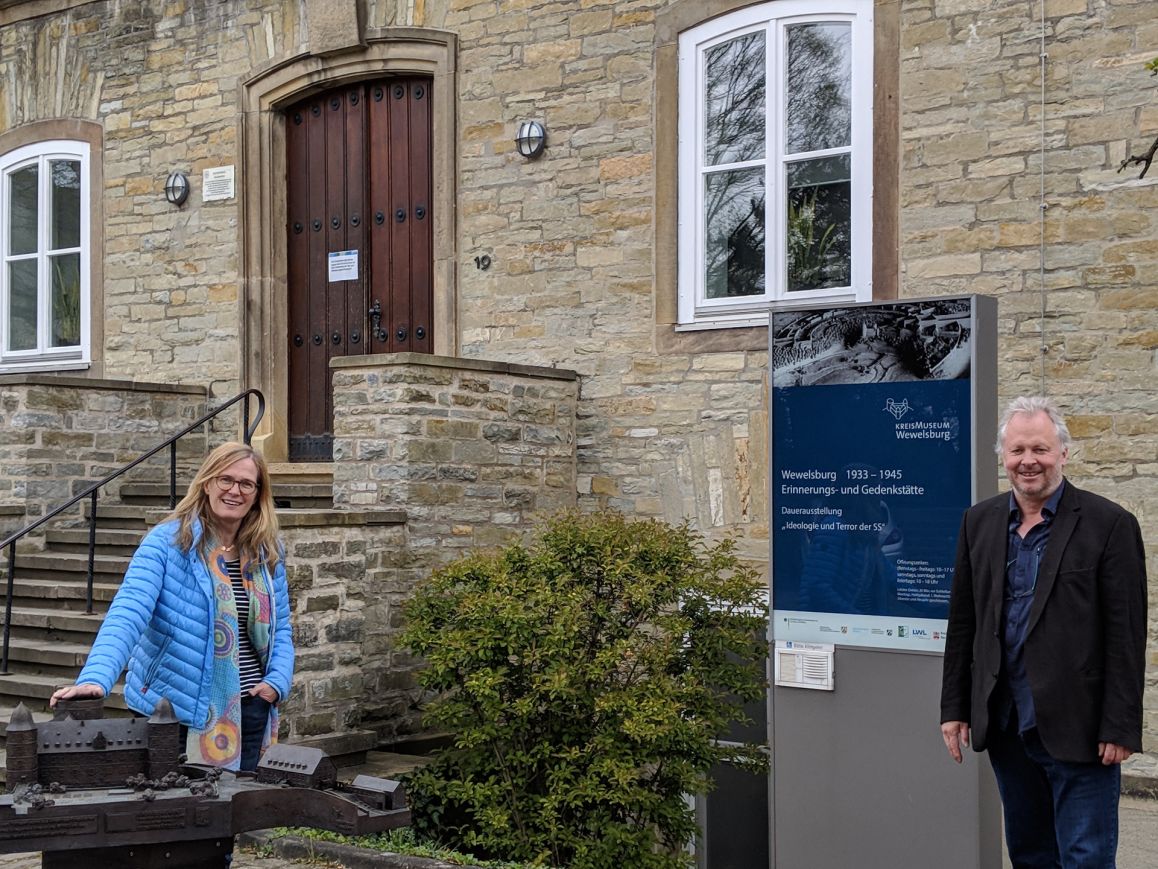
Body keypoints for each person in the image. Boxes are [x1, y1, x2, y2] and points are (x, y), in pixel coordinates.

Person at [940, 396, 1147, 867]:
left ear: (1063, 454)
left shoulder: (1110, 525)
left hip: (1081, 729)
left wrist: (1120, 725)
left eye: (1040, 449)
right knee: (1030, 854)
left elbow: (1126, 635)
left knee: (1085, 857)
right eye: (1016, 451)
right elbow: (964, 623)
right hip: (1009, 725)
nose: (1027, 461)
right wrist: (954, 706)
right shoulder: (979, 522)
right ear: (1002, 456)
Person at [51, 441, 295, 772]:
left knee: (241, 811)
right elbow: (128, 612)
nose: (235, 490)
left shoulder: (265, 550)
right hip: (174, 710)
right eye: (226, 479)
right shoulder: (167, 542)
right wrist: (95, 679)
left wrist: (277, 682)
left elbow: (280, 627)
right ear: (207, 483)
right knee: (181, 815)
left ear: (257, 493)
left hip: (251, 708)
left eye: (246, 484)